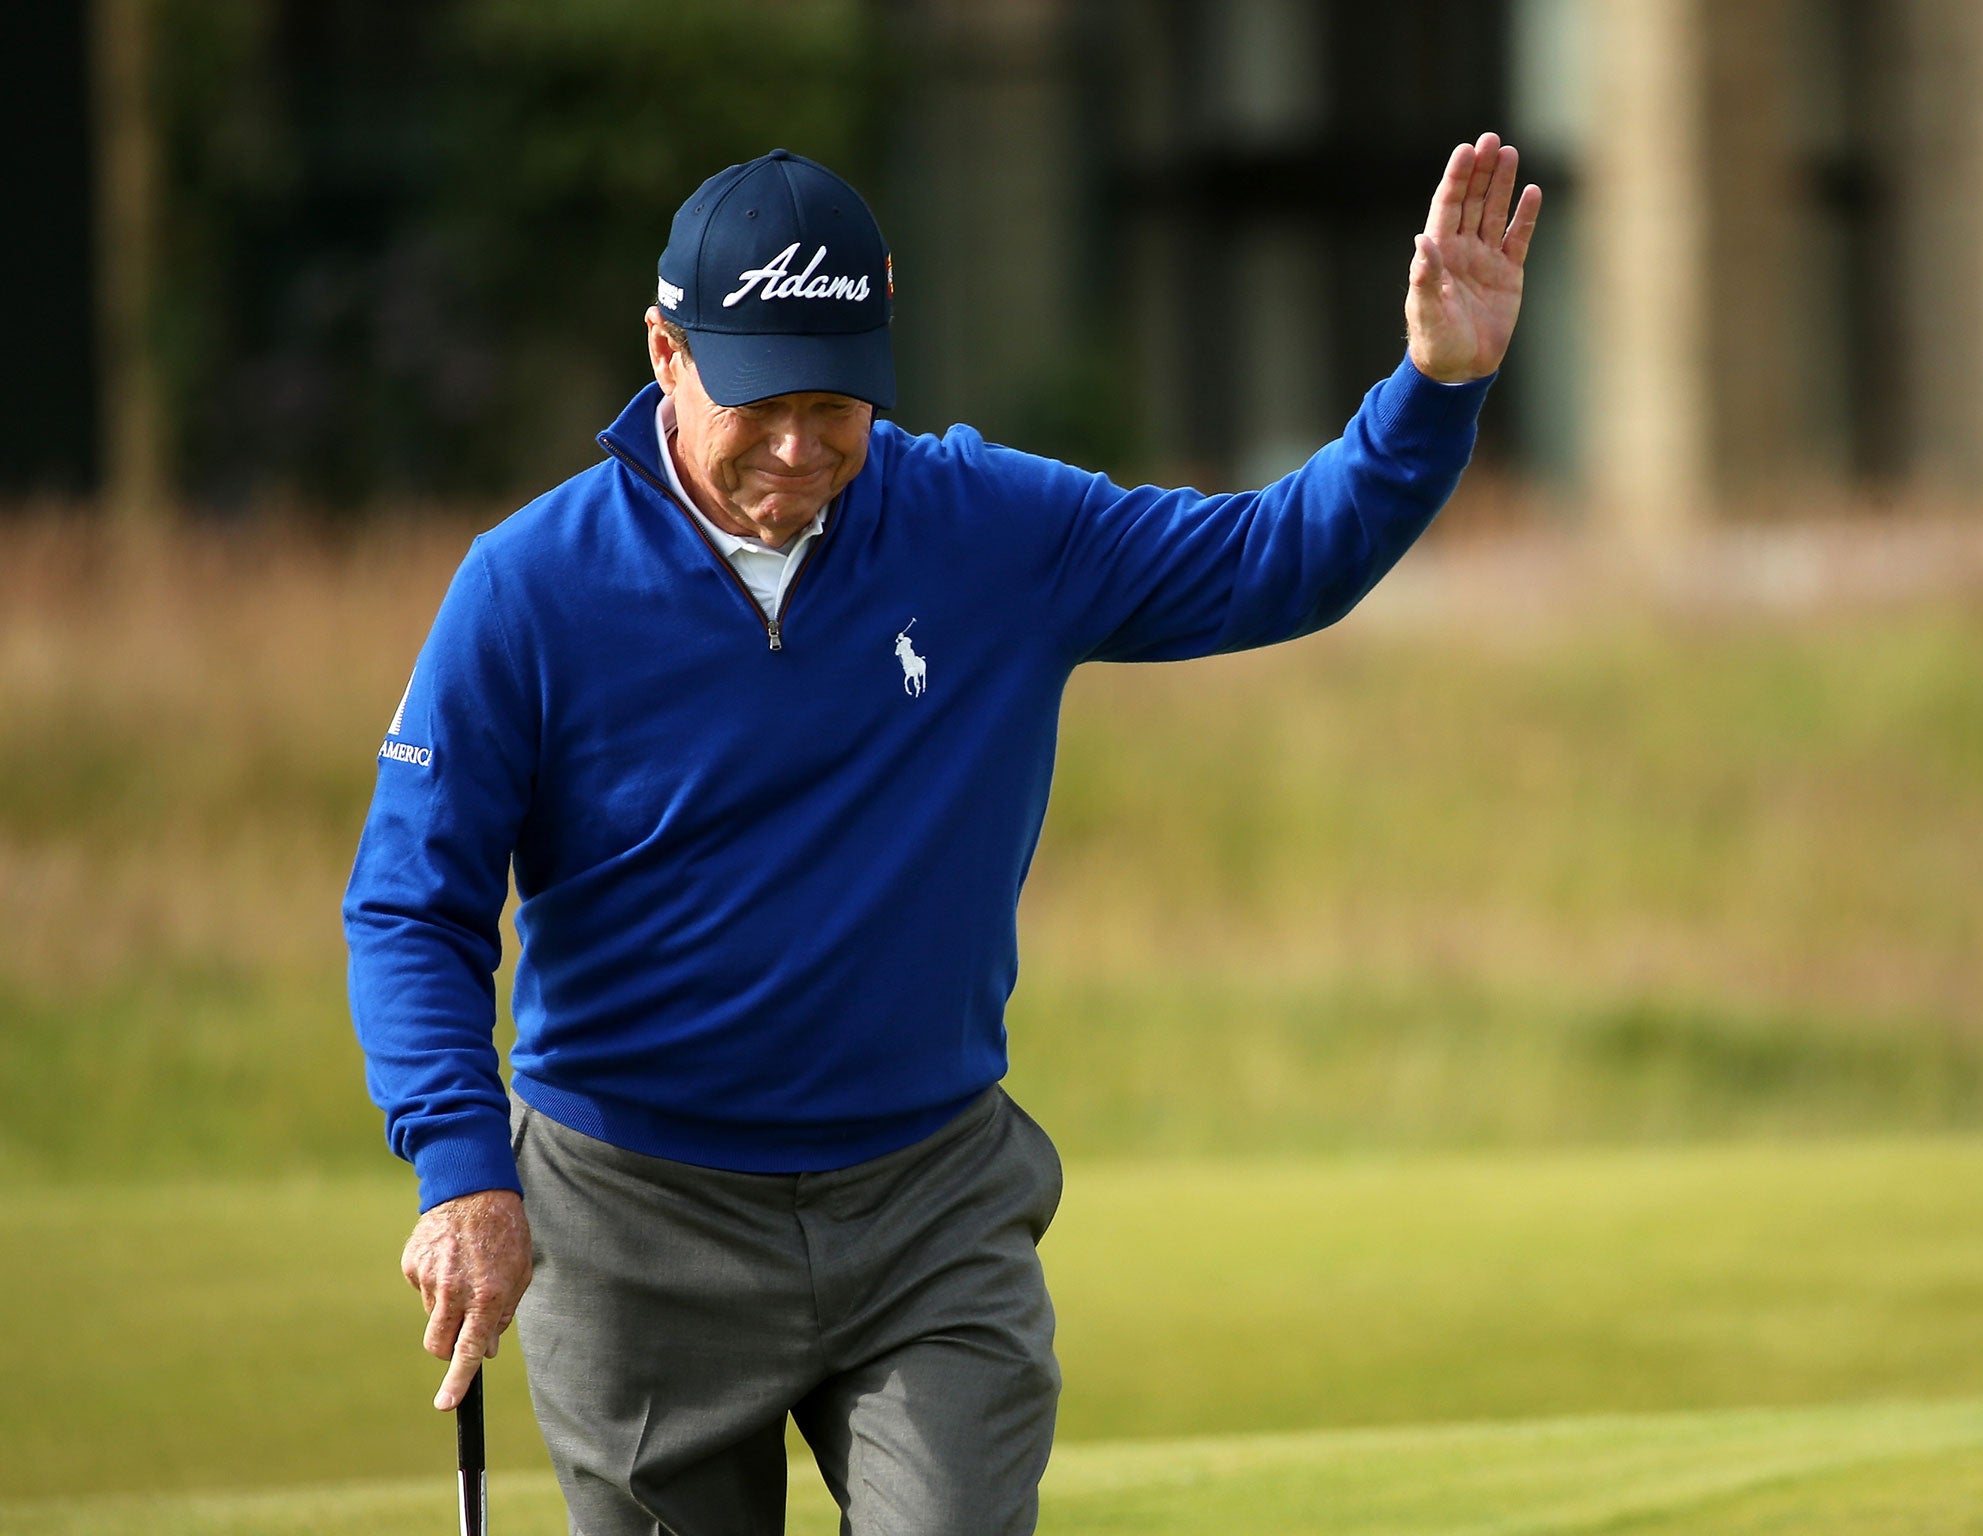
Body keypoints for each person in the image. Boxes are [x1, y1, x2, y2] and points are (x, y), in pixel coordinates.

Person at [344, 136, 1539, 1535]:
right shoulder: (528, 589)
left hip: (928, 1207)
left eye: (837, 402)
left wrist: (1435, 390)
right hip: (631, 1223)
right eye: (761, 399)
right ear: (665, 353)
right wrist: (464, 1172)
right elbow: (411, 903)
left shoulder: (992, 529)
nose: (801, 447)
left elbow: (1282, 557)